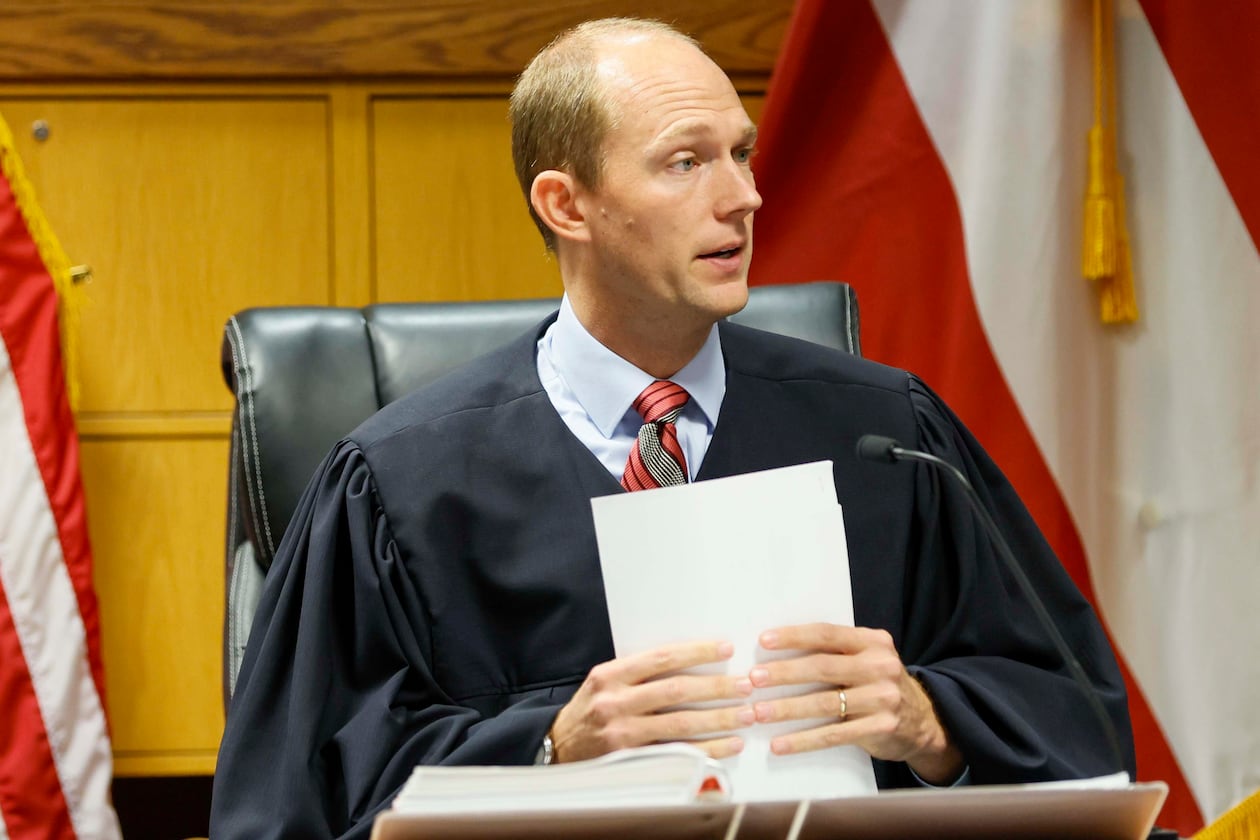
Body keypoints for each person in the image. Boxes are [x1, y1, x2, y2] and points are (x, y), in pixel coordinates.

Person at [210, 18, 1135, 839]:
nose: (743, 197)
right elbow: (295, 795)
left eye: (743, 153)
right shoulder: (399, 486)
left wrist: (933, 723)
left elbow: (1076, 720)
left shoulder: (889, 435)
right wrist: (548, 748)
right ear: (566, 205)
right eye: (686, 162)